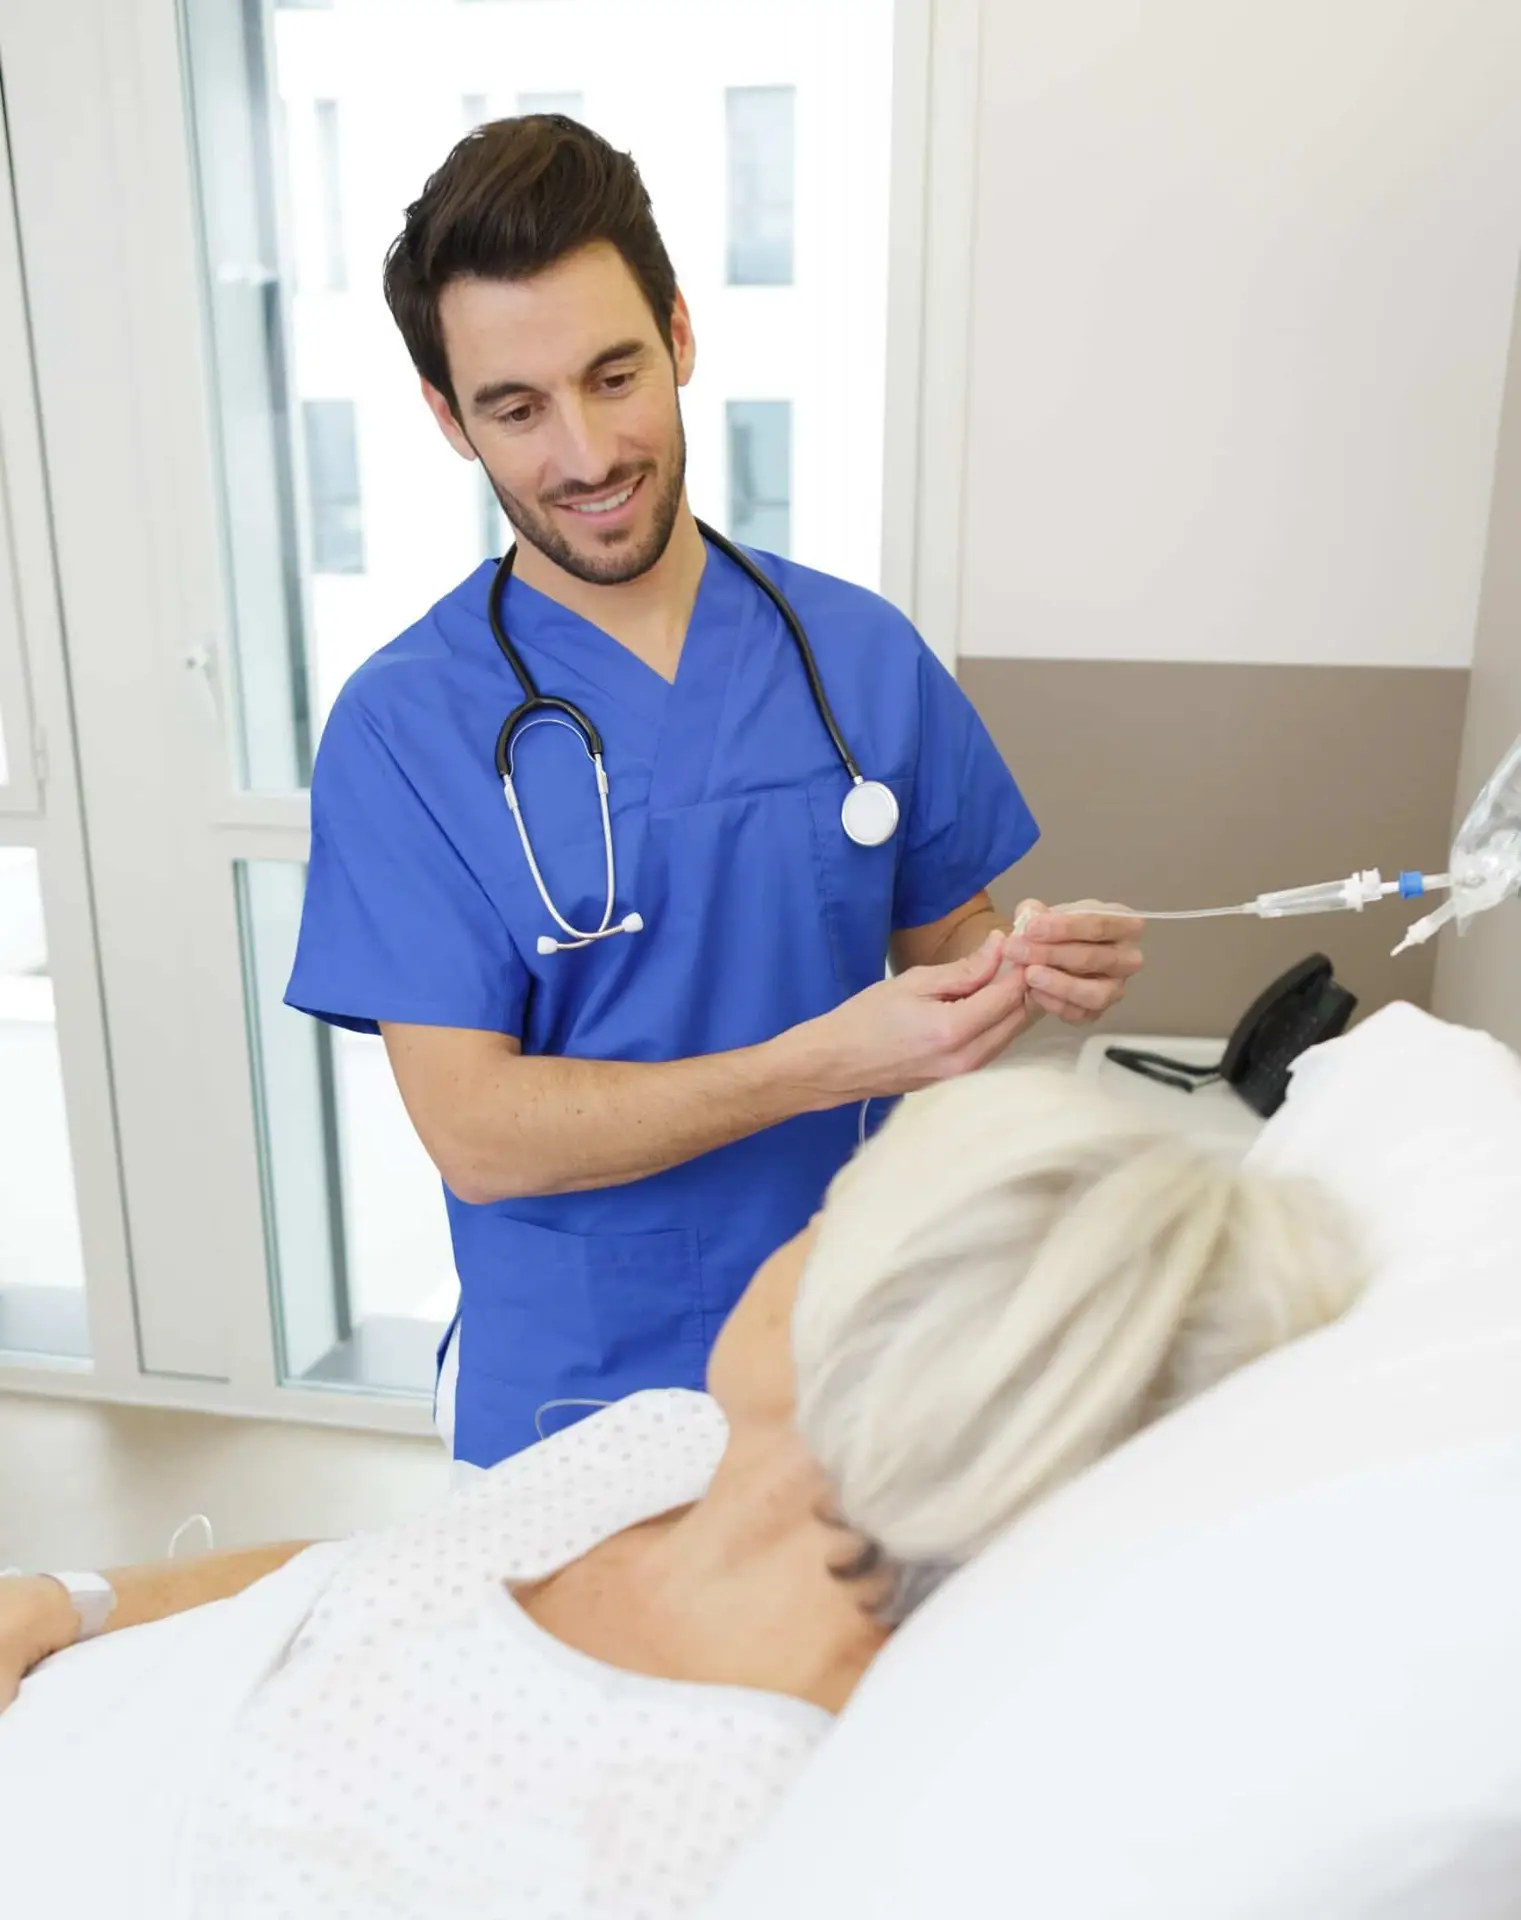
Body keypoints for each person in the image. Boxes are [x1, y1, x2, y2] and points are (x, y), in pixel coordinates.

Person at [282, 113, 1147, 1469]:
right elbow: (479, 1135)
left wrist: (1023, 965)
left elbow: (948, 943)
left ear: (680, 336)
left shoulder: (859, 655)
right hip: (577, 1391)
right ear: (451, 421)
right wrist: (823, 1063)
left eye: (614, 374)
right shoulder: (405, 727)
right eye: (517, 408)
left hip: (856, 1335)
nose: (584, 453)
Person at [0, 1067, 1362, 1918]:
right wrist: (66, 1601)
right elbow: (353, 1578)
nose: (790, 1236)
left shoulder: (751, 1826)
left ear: (892, 1335)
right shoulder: (662, 1442)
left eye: (833, 1220)